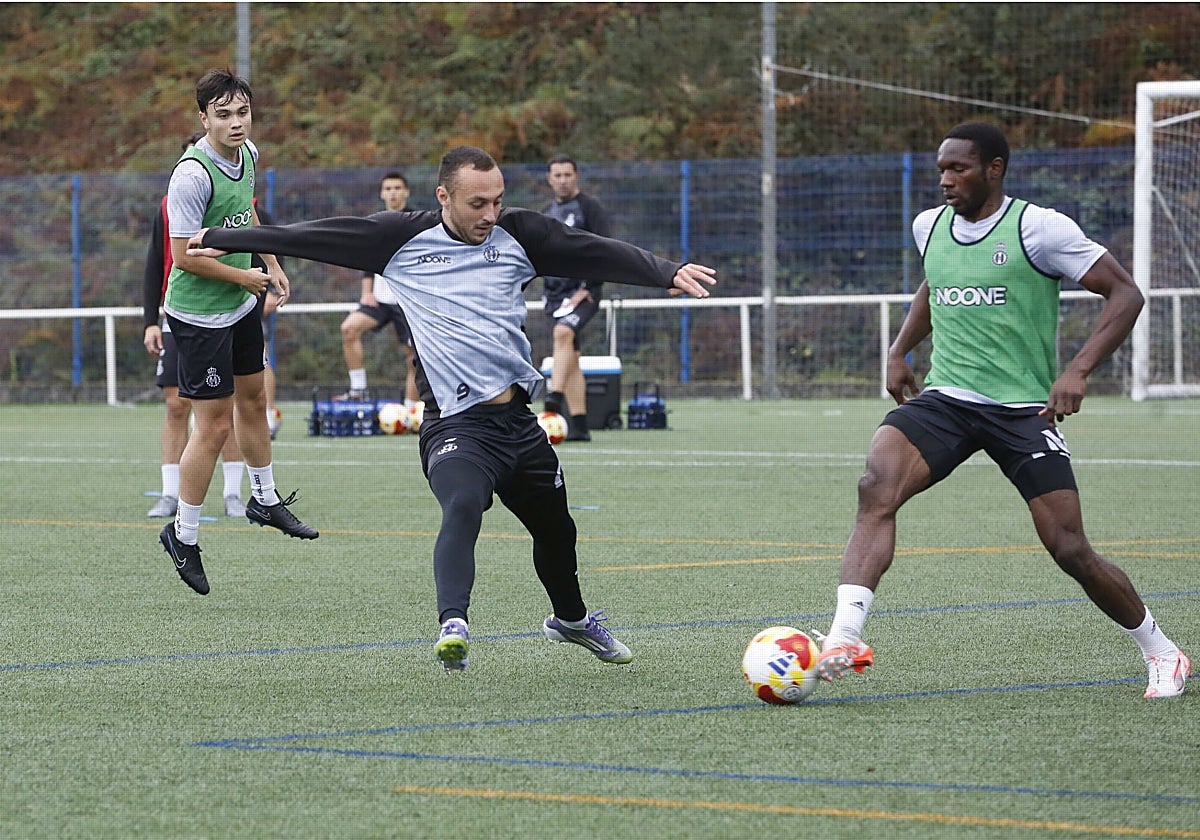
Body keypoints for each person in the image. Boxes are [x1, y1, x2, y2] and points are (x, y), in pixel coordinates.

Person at [187, 145, 717, 671]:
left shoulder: (520, 234)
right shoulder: (398, 238)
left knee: (557, 530)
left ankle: (572, 621)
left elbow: (591, 250)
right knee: (463, 504)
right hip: (453, 425)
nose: (490, 214)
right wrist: (223, 238)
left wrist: (665, 271)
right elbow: (313, 235)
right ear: (444, 196)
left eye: (497, 201)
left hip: (517, 423)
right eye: (477, 204)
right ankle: (453, 624)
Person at [814, 122, 1189, 699]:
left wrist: (1077, 371)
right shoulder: (929, 226)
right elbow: (936, 286)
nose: (945, 180)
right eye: (941, 169)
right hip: (946, 399)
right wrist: (898, 349)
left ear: (994, 169)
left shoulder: (1039, 229)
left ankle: (1162, 651)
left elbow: (1125, 294)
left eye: (958, 168)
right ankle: (845, 635)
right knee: (876, 486)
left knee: (1068, 547)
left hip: (1021, 413)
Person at [158, 68, 318, 597]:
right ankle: (182, 534)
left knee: (255, 398)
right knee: (213, 427)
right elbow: (183, 256)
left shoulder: (248, 155)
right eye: (223, 114)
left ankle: (264, 499)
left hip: (239, 304)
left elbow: (246, 215)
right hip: (199, 314)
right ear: (203, 118)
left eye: (242, 112)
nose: (235, 122)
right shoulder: (191, 175)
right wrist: (247, 275)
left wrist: (271, 262)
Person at [142, 131, 246, 518]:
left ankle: (233, 492)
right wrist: (150, 320)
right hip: (180, 314)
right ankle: (171, 493)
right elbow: (157, 264)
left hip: (229, 310)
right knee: (175, 405)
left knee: (224, 406)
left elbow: (266, 243)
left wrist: (264, 285)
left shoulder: (239, 199)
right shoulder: (172, 203)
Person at [540, 154, 613, 441]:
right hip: (554, 296)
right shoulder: (546, 212)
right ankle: (580, 426)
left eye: (567, 174)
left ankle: (552, 401)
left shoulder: (590, 208)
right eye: (557, 175)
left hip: (584, 293)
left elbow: (606, 249)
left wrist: (589, 285)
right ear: (549, 179)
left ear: (576, 176)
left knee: (562, 333)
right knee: (570, 355)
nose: (562, 180)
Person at [334, 171, 420, 406]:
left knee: (414, 357)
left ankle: (410, 410)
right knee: (349, 328)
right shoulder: (376, 222)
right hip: (380, 301)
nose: (393, 193)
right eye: (388, 188)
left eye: (398, 188)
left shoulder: (418, 222)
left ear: (406, 192)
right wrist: (367, 292)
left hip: (408, 302)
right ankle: (358, 389)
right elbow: (368, 259)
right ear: (382, 193)